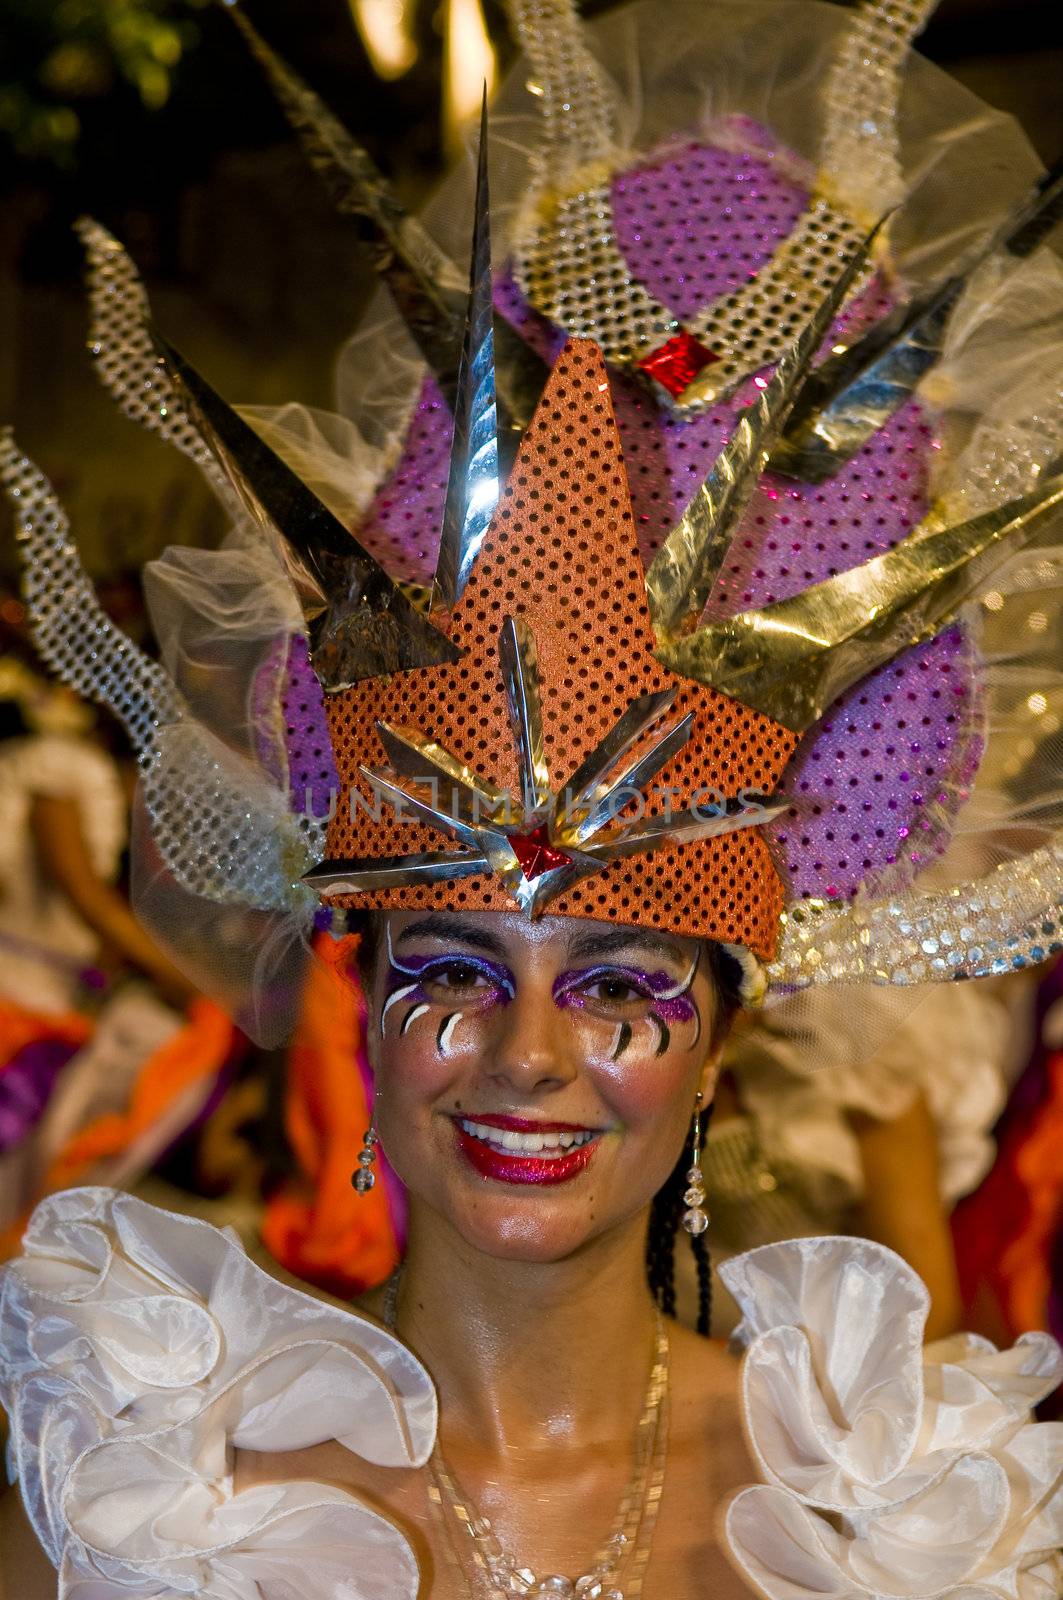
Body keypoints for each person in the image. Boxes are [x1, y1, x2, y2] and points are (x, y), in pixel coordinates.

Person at [2, 3, 1063, 1597]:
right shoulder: (140, 1501)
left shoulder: (907, 1531)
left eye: (621, 985)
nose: (529, 1055)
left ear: (722, 1038)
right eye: (453, 970)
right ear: (358, 996)